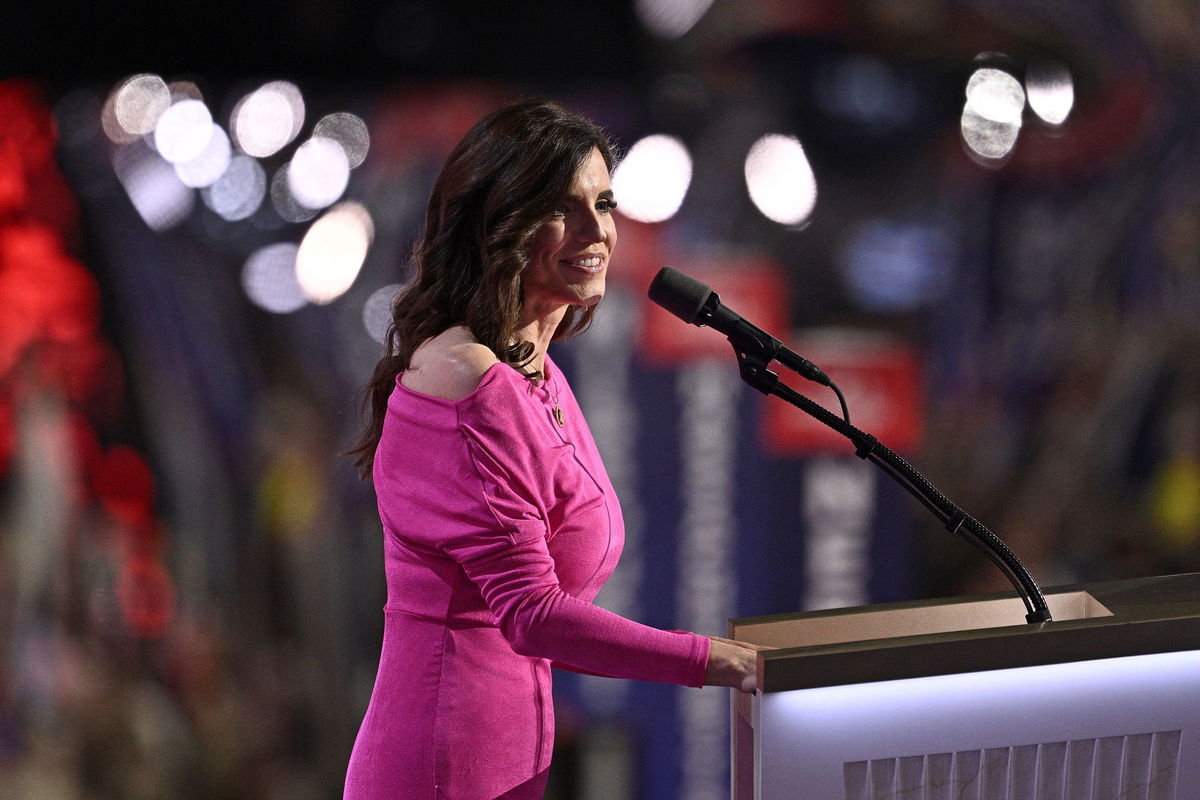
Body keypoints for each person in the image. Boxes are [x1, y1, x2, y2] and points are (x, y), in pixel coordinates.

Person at [343, 98, 764, 800]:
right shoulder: (463, 380)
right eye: (563, 208)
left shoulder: (539, 376)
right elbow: (533, 613)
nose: (596, 230)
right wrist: (722, 662)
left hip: (507, 763)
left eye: (604, 203)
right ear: (499, 222)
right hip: (441, 768)